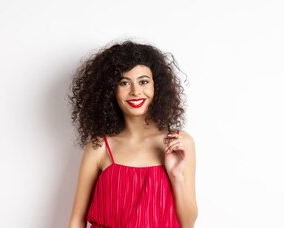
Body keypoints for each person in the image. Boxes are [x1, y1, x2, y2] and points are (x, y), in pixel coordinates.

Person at [68, 40, 198, 228]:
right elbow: (76, 221)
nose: (135, 91)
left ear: (157, 86)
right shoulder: (99, 147)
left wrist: (176, 176)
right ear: (110, 90)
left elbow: (188, 224)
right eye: (124, 83)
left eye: (143, 81)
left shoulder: (178, 142)